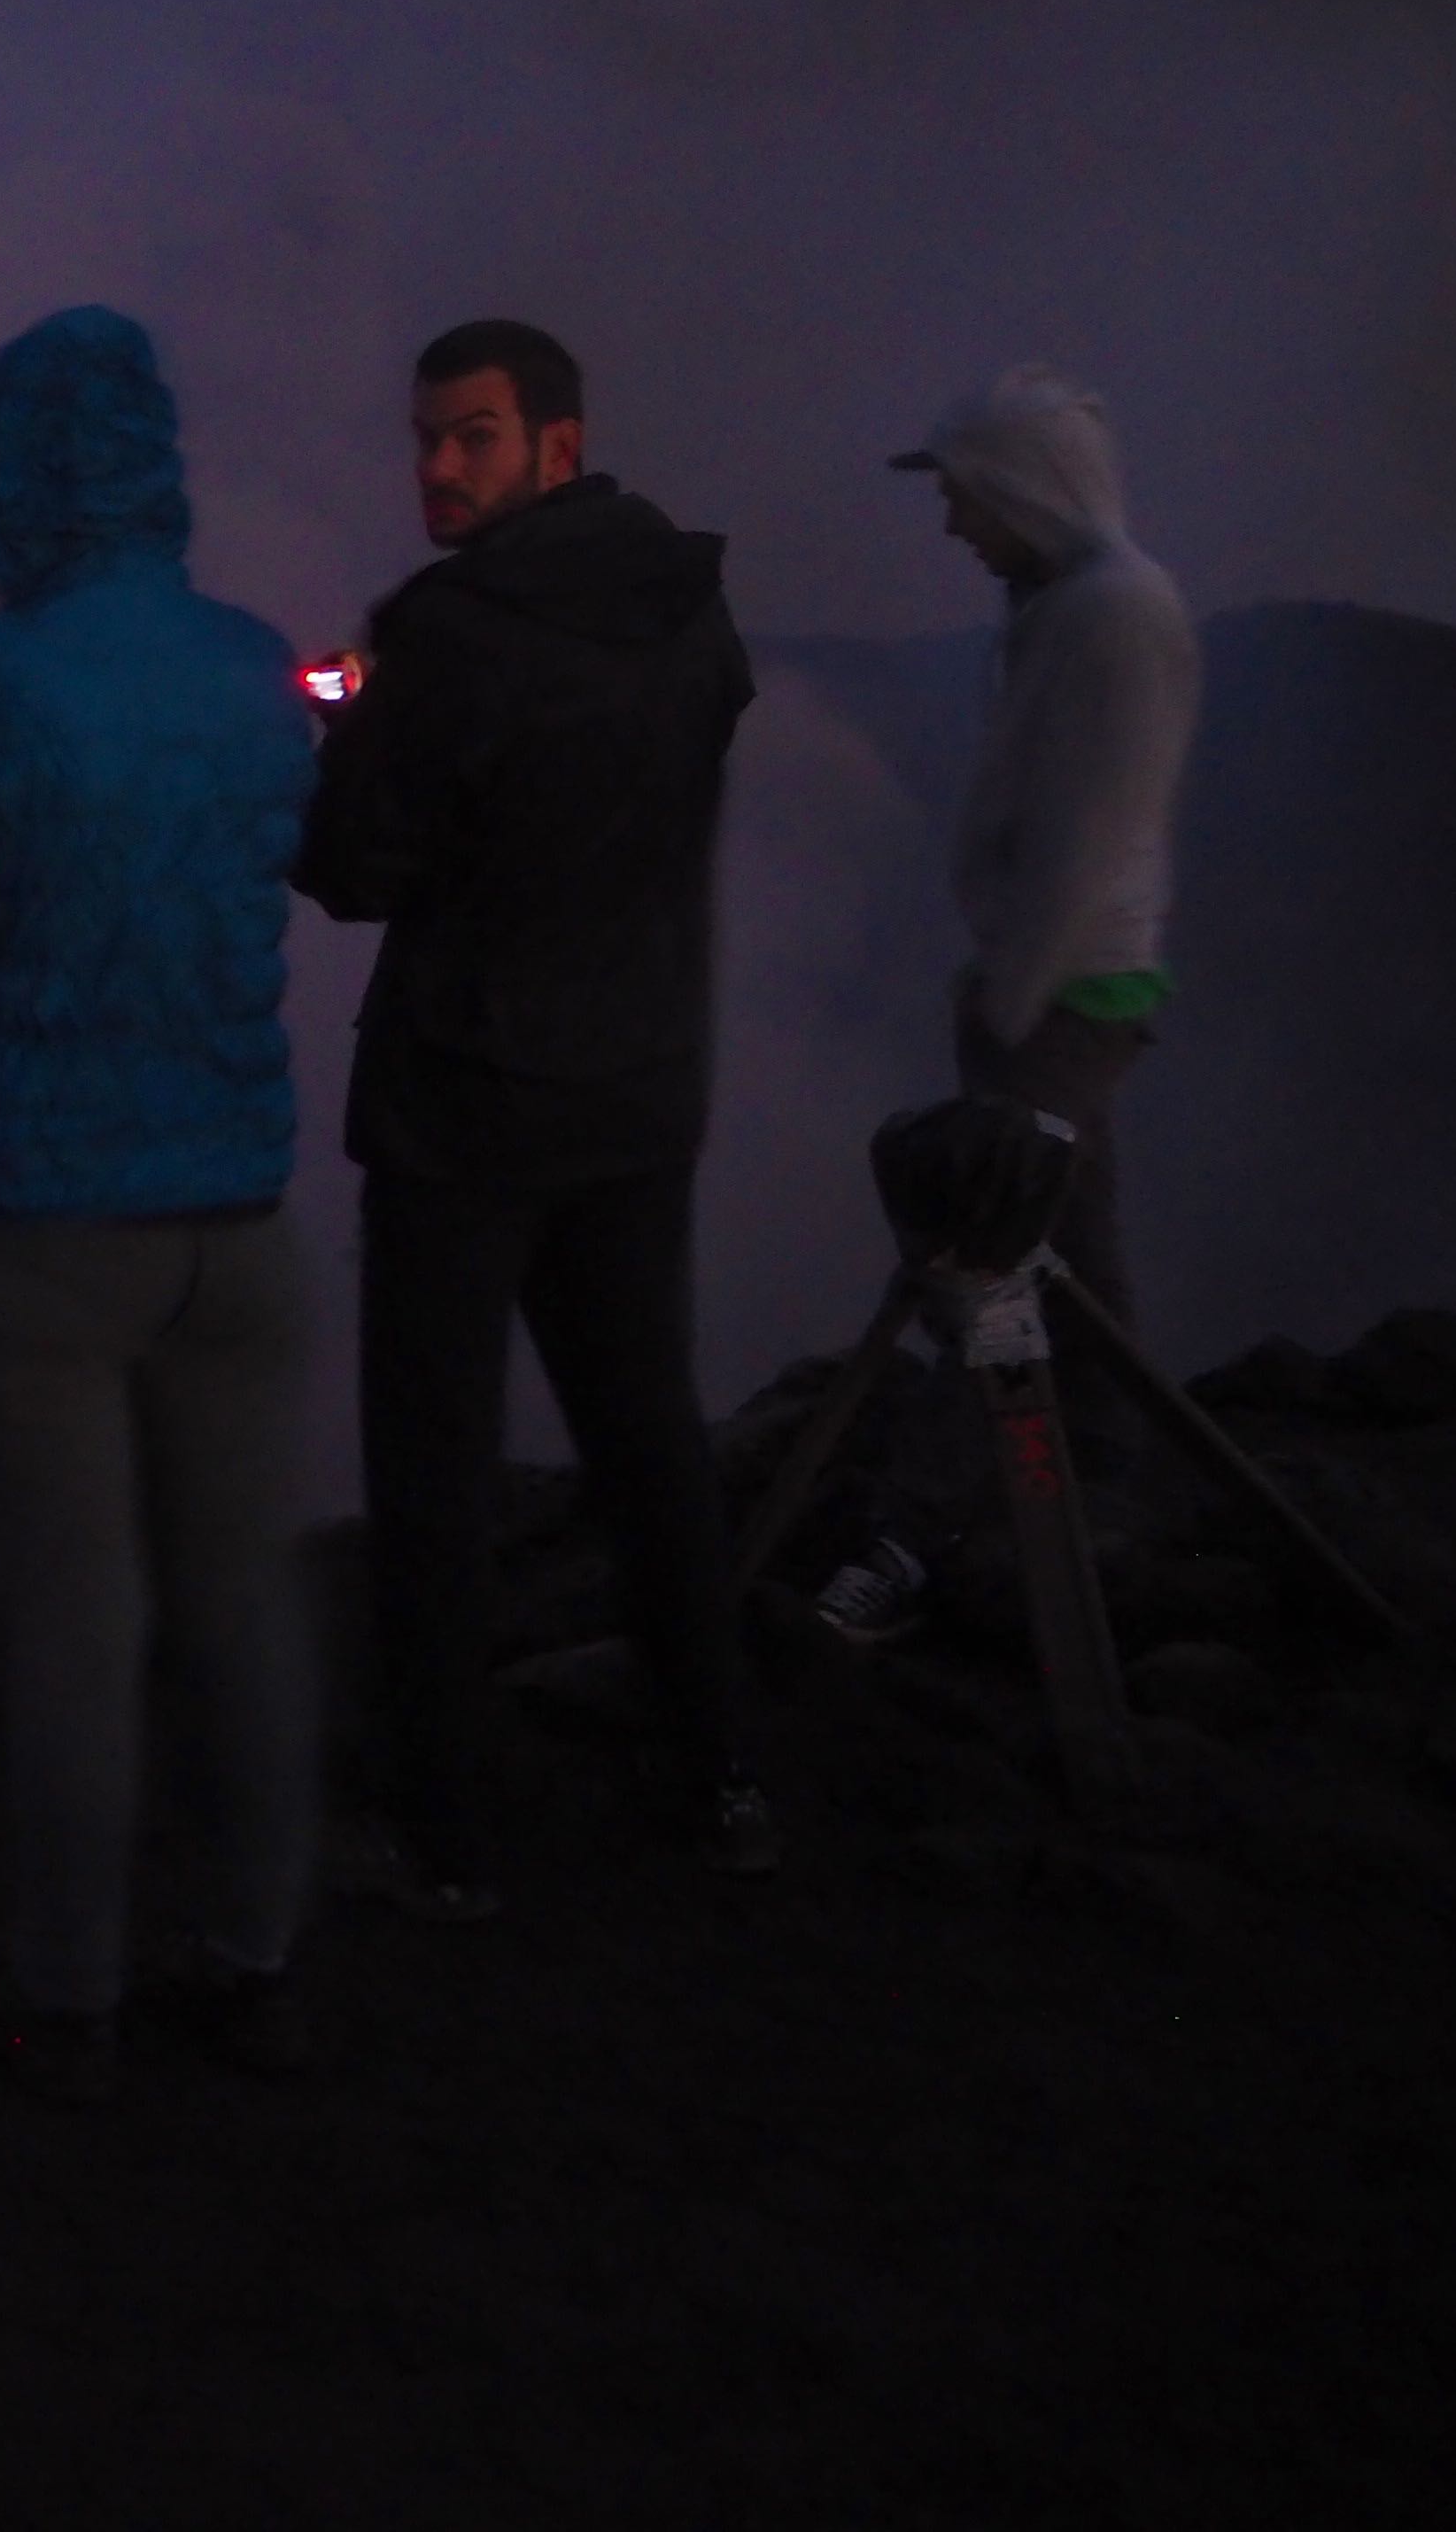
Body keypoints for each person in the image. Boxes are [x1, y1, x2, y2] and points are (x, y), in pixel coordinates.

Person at [0, 306, 324, 2095]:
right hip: (238, 1231)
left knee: (75, 1631)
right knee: (245, 1604)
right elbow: (282, 855)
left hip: (39, 1240)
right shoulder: (253, 666)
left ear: (28, 483)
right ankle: (257, 1958)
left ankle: (66, 1997)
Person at [297, 319, 775, 1914]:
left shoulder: (452, 635)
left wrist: (347, 731)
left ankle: (448, 1828)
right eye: (426, 437)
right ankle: (723, 1773)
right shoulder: (691, 603)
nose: (437, 467)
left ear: (556, 445)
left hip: (466, 1110)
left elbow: (356, 870)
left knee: (436, 1466)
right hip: (640, 1086)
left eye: (473, 436)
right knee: (647, 1434)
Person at [817, 369, 1202, 1643]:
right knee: (1073, 1239)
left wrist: (1013, 998)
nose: (951, 522)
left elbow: (1090, 836)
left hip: (1067, 992)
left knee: (979, 1261)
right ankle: (1115, 1471)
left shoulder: (1111, 617)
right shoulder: (1072, 607)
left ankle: (908, 1538)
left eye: (965, 494)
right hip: (1062, 982)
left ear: (1025, 486)